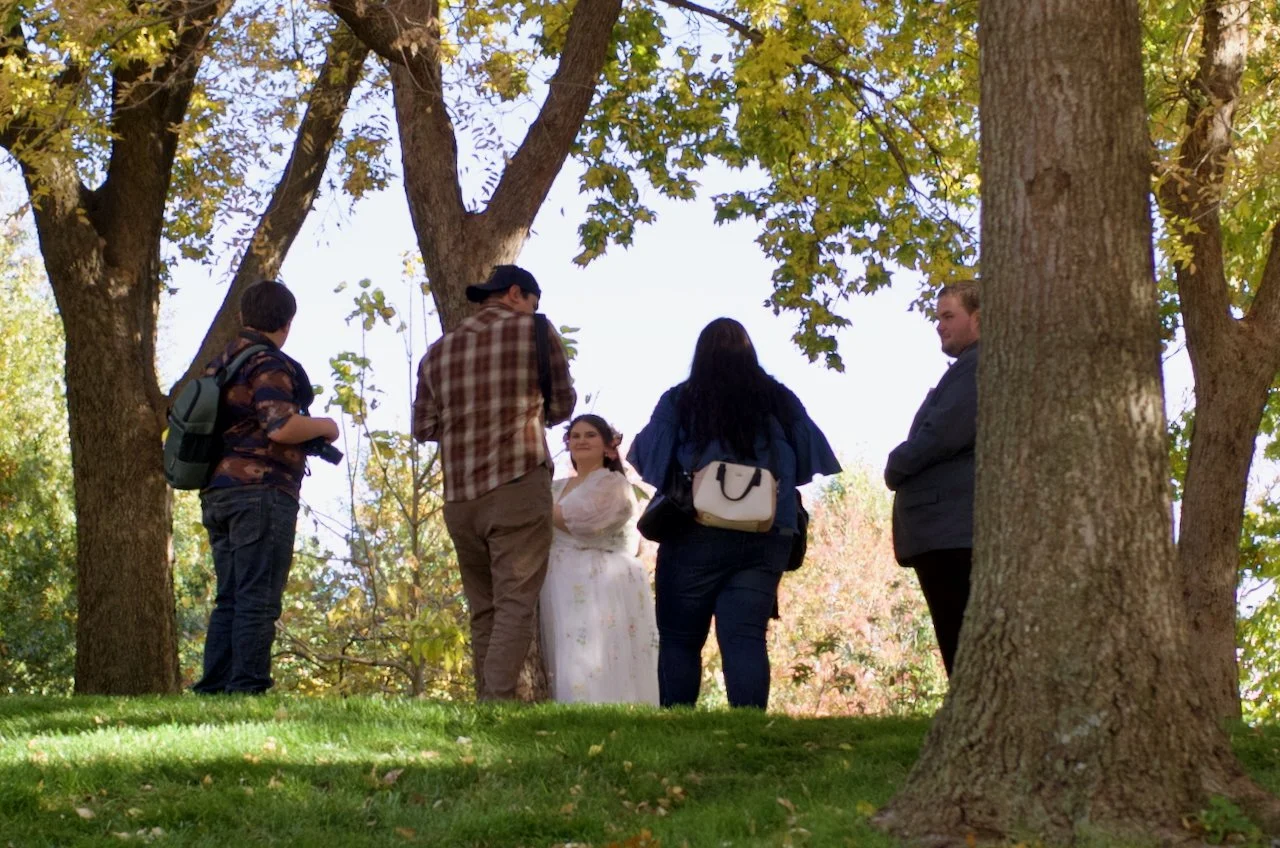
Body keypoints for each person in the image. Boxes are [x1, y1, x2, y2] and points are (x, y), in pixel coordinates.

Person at [628, 318, 839, 709]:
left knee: (680, 638)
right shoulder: (780, 399)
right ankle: (749, 727)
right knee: (745, 637)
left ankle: (678, 726)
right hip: (767, 534)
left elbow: (650, 460)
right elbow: (811, 458)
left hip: (695, 533)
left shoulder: (681, 399)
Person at [412, 264, 575, 700]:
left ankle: (488, 698)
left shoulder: (438, 351)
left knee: (483, 608)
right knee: (515, 603)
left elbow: (423, 427)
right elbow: (562, 402)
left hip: (460, 496)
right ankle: (496, 701)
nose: (534, 311)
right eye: (532, 303)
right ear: (517, 294)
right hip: (517, 481)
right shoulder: (535, 332)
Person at [193, 280, 341, 695]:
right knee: (258, 596)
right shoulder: (267, 364)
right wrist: (327, 428)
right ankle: (246, 690)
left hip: (217, 491)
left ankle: (215, 690)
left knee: (231, 597)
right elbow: (282, 426)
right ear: (288, 323)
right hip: (259, 492)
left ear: (243, 317)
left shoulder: (220, 363)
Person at [884, 281, 980, 677]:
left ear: (979, 317)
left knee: (958, 633)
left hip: (952, 532)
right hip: (946, 531)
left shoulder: (977, 367)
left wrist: (896, 463)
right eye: (937, 318)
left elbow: (940, 436)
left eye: (948, 316)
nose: (939, 326)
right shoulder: (965, 369)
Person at [540, 414, 659, 705]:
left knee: (594, 650)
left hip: (598, 577)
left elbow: (582, 523)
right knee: (563, 647)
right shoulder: (554, 487)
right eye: (575, 436)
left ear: (607, 446)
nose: (581, 441)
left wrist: (532, 505)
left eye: (590, 435)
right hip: (554, 575)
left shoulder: (613, 484)